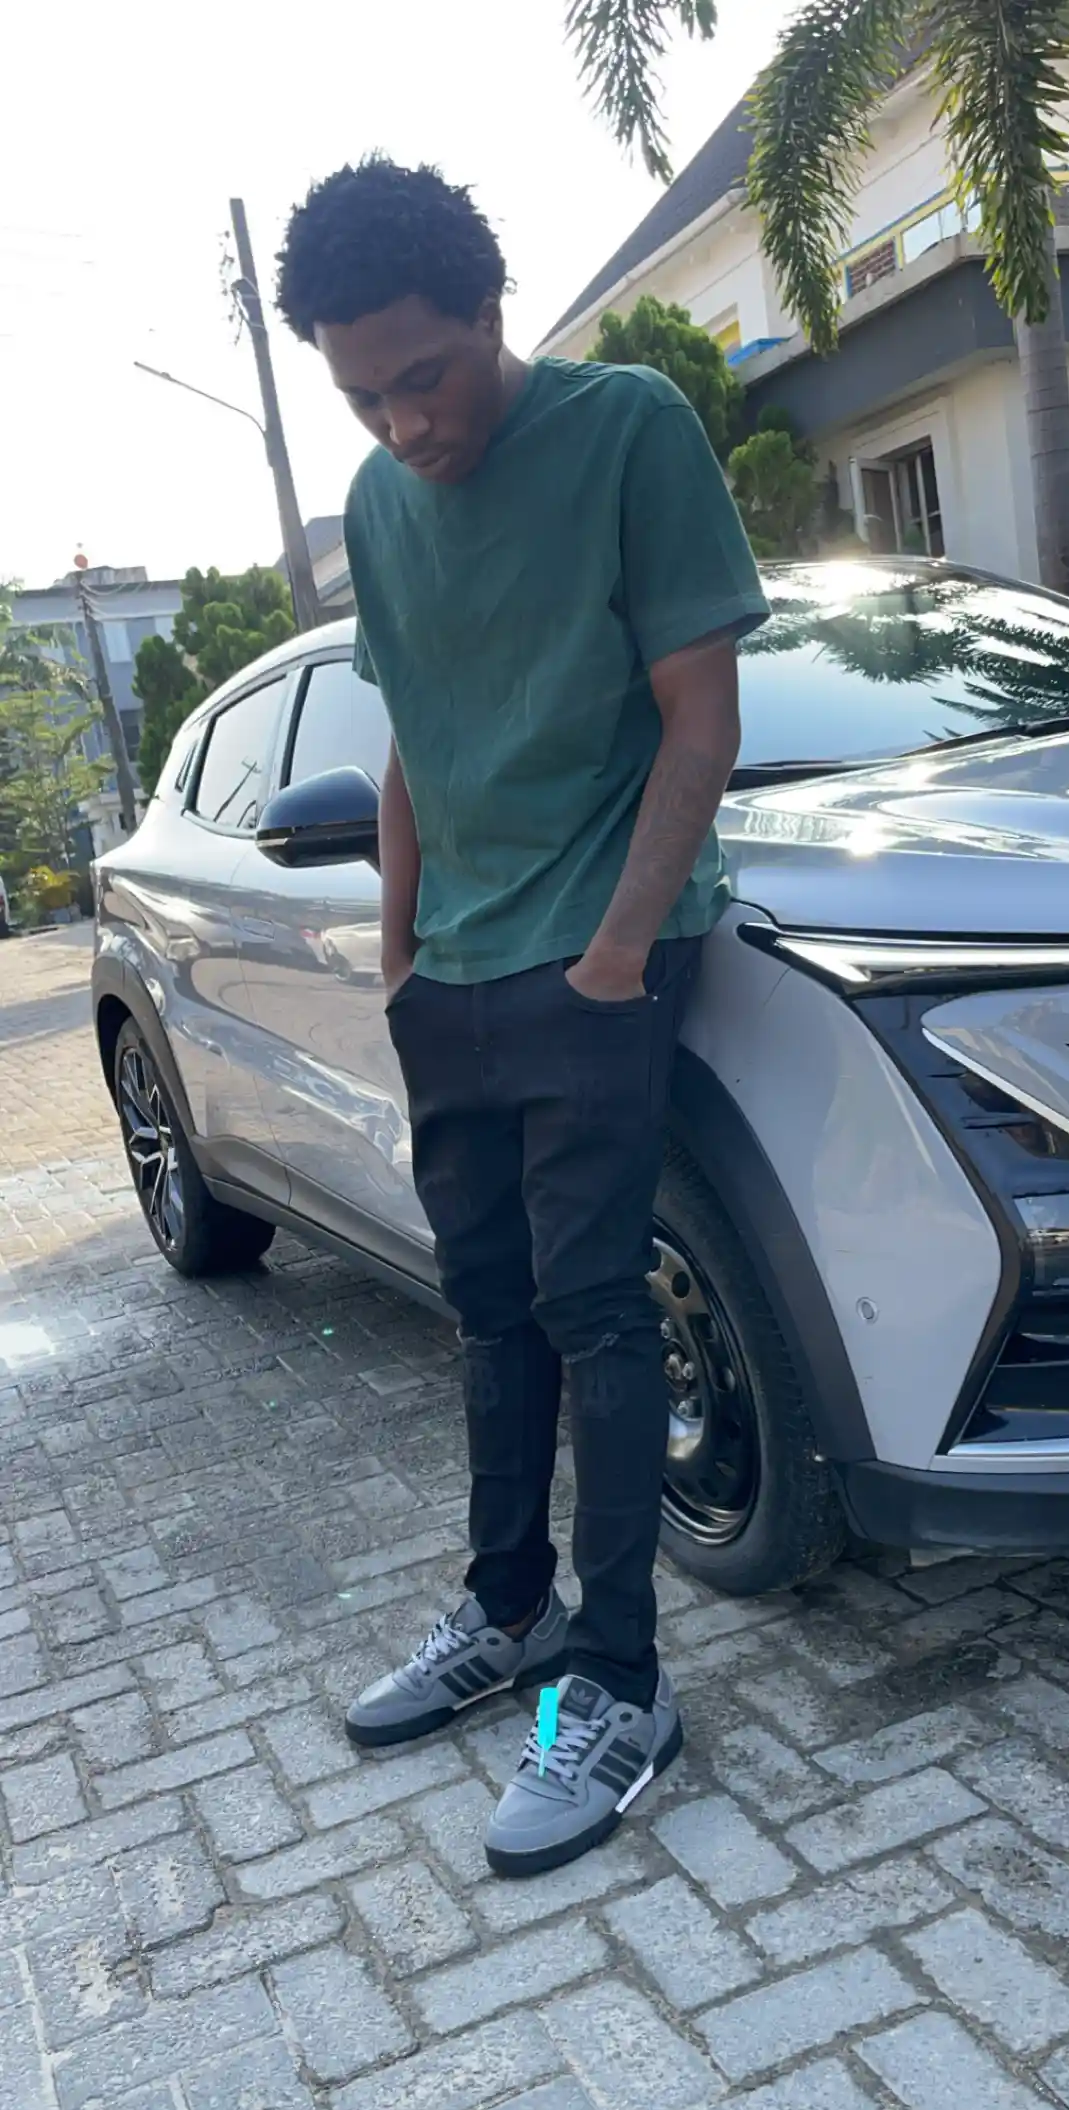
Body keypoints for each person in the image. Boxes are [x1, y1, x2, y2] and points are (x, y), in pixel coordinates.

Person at [276, 156, 768, 1878]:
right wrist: (400, 956)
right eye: (365, 396)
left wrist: (616, 957)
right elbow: (414, 746)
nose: (404, 425)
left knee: (592, 1310)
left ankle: (618, 1684)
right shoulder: (376, 498)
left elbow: (699, 722)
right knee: (488, 1312)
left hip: (595, 959)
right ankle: (505, 1611)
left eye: (425, 375)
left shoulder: (625, 427)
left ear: (491, 311)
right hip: (456, 975)